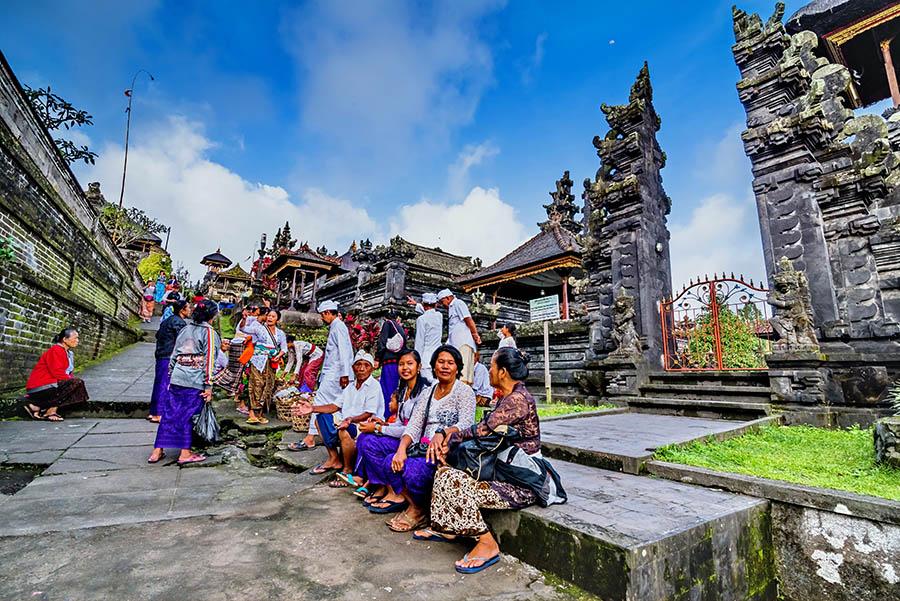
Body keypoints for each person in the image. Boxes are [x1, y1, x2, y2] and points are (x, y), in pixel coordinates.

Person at [417, 347, 565, 574]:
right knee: (444, 473)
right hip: (502, 471)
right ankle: (448, 528)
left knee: (451, 481)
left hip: (521, 483)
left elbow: (482, 430)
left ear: (503, 372)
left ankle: (487, 543)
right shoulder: (509, 397)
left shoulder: (517, 400)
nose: (489, 370)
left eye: (493, 366)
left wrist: (446, 434)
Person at [383, 345, 476, 533]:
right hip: (423, 448)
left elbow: (467, 423)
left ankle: (419, 510)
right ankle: (417, 507)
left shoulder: (464, 391)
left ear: (457, 367)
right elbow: (414, 426)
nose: (445, 366)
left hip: (446, 451)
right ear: (434, 366)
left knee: (413, 471)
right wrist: (401, 450)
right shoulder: (427, 393)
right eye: (441, 362)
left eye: (450, 363)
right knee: (389, 463)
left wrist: (443, 432)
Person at [354, 349, 431, 510]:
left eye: (410, 364)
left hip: (414, 442)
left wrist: (378, 428)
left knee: (370, 442)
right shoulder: (403, 390)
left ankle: (395, 492)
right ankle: (381, 485)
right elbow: (399, 422)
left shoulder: (424, 392)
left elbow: (412, 429)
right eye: (401, 364)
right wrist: (384, 424)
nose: (405, 368)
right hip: (401, 435)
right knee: (363, 439)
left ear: (419, 367)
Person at [148, 299, 222, 465]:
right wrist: (209, 386)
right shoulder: (209, 333)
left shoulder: (185, 329)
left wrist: (171, 374)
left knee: (169, 413)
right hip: (194, 379)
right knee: (187, 415)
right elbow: (210, 360)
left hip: (177, 376)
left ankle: (157, 450)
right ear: (212, 316)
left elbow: (174, 353)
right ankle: (185, 453)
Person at [307, 350, 384, 484]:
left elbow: (368, 413)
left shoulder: (374, 386)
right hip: (348, 421)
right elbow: (335, 406)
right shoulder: (350, 386)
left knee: (344, 431)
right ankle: (334, 459)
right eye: (358, 365)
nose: (361, 369)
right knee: (320, 418)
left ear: (371, 368)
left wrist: (349, 420)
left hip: (365, 425)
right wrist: (312, 408)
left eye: (366, 365)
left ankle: (347, 469)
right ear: (353, 367)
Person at [299, 300, 353, 450]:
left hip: (336, 374)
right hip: (332, 373)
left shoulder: (339, 327)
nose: (322, 319)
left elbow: (344, 352)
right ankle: (331, 433)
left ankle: (311, 437)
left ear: (328, 313)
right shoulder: (336, 327)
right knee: (335, 403)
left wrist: (345, 374)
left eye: (323, 315)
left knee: (319, 402)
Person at [23, 327, 89, 421]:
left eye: (78, 338)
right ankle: (49, 411)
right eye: (75, 338)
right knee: (76, 383)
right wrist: (71, 382)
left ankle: (37, 406)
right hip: (41, 386)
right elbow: (57, 372)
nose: (77, 341)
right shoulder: (56, 350)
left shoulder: (69, 353)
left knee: (78, 387)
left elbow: (68, 373)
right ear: (65, 339)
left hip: (53, 384)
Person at [239, 308, 288, 425]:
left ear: (277, 319)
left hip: (271, 361)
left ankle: (259, 413)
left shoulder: (280, 333)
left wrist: (279, 355)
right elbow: (243, 328)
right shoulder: (259, 329)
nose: (270, 318)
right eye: (269, 316)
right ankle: (251, 412)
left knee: (268, 385)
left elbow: (284, 348)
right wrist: (244, 319)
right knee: (256, 383)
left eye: (273, 316)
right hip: (258, 360)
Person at [149, 300, 191, 422]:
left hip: (161, 354)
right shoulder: (179, 323)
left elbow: (158, 336)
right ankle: (159, 414)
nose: (190, 310)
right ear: (182, 310)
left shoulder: (167, 321)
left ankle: (153, 412)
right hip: (169, 356)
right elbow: (182, 341)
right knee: (165, 384)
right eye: (188, 308)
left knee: (159, 383)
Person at [437, 289, 481, 387]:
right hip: (456, 345)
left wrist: (475, 335)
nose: (442, 305)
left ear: (448, 298)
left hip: (463, 344)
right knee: (457, 372)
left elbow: (468, 319)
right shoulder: (451, 308)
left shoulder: (458, 303)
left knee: (463, 374)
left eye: (442, 302)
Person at [375, 310, 408, 418]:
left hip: (389, 363)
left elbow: (382, 342)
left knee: (386, 390)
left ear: (385, 318)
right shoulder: (400, 328)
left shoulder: (387, 324)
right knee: (395, 389)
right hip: (397, 364)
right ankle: (394, 415)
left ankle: (386, 415)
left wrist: (377, 358)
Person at [409, 293, 442, 381]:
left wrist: (416, 360)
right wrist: (417, 305)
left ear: (423, 305)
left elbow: (419, 341)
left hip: (426, 358)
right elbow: (430, 313)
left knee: (427, 386)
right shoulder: (439, 316)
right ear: (436, 304)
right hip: (438, 355)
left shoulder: (421, 319)